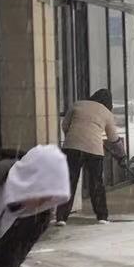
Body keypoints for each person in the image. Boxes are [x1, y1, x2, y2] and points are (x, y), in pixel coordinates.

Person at [54, 88, 122, 226]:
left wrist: (73, 136)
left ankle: (61, 217)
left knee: (69, 181)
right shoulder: (106, 112)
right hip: (94, 149)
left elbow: (65, 125)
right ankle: (102, 216)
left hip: (72, 147)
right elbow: (113, 138)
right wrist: (122, 155)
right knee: (96, 183)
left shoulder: (78, 104)